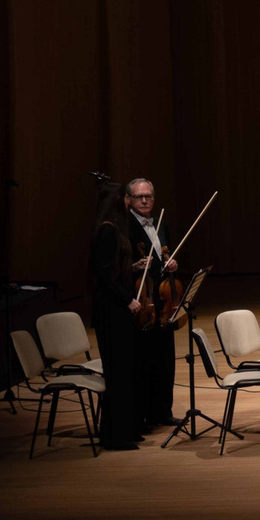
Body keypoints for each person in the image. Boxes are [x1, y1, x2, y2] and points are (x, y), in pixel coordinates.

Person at [86, 180, 148, 450]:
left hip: (118, 310)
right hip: (111, 312)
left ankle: (128, 429)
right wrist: (128, 300)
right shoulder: (107, 231)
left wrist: (133, 266)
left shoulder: (113, 231)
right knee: (118, 373)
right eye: (126, 198)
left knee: (127, 372)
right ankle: (115, 436)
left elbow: (115, 270)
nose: (129, 202)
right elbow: (104, 277)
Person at [118, 179, 180, 431]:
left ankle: (163, 411)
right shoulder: (124, 226)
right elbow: (116, 263)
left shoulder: (161, 222)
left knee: (165, 359)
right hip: (142, 300)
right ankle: (142, 415)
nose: (144, 201)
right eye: (138, 197)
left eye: (149, 196)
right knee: (143, 361)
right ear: (129, 200)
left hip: (162, 300)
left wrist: (172, 262)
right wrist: (131, 267)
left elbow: (166, 253)